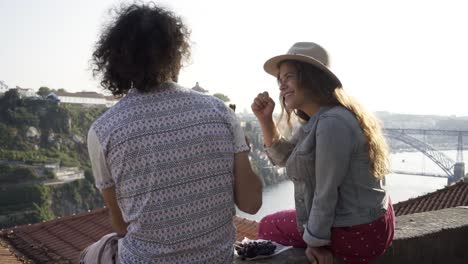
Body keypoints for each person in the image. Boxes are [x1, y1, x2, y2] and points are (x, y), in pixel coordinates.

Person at [83, 3, 263, 263]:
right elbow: (251, 203)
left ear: (117, 60)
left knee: (93, 253)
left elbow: (122, 225)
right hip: (217, 260)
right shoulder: (221, 112)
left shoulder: (103, 131)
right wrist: (242, 152)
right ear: (175, 53)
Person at [251, 42, 394, 264]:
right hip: (367, 223)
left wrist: (316, 242)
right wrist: (265, 120)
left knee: (268, 226)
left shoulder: (331, 123)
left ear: (312, 78)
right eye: (280, 79)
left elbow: (325, 192)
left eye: (289, 77)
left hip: (358, 231)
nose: (281, 86)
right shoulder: (319, 119)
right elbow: (285, 159)